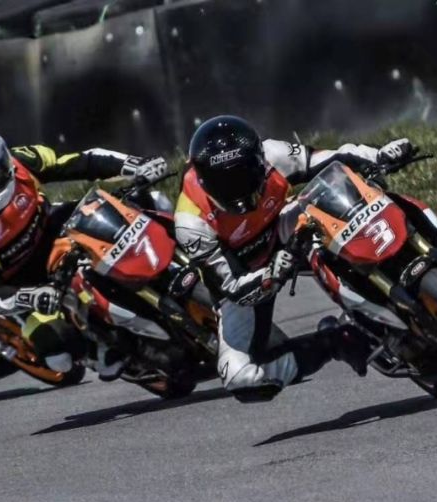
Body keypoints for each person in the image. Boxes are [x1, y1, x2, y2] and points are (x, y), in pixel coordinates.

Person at [174, 115, 417, 402]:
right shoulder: (190, 222)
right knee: (241, 379)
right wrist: (272, 273)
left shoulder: (273, 154)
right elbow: (231, 286)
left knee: (349, 194)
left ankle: (411, 261)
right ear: (203, 180)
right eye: (224, 183)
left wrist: (379, 155)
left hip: (283, 224)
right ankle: (336, 340)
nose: (237, 189)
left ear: (258, 161)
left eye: (243, 174)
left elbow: (331, 158)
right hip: (243, 274)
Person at [0, 120, 169, 377]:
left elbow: (83, 161)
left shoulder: (25, 159)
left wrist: (134, 164)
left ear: (4, 155)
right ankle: (94, 354)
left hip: (55, 232)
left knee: (148, 202)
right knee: (59, 356)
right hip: (23, 282)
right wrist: (30, 297)